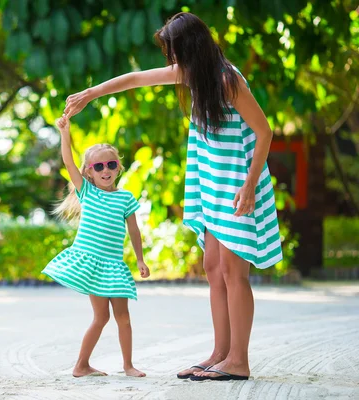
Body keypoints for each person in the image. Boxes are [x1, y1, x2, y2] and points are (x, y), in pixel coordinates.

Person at [62, 12, 283, 382]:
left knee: (232, 271)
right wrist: (90, 93)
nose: (171, 61)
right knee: (213, 268)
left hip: (238, 185)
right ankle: (220, 352)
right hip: (214, 184)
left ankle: (238, 360)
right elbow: (135, 79)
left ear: (190, 48)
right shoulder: (194, 75)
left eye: (174, 51)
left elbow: (265, 132)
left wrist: (248, 185)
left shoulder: (227, 81)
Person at [42, 116, 150, 378]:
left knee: (123, 317)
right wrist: (65, 133)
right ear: (88, 171)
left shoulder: (126, 197)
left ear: (118, 168)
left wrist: (140, 259)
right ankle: (81, 365)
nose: (106, 170)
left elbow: (133, 230)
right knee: (100, 318)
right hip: (91, 263)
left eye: (111, 164)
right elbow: (68, 161)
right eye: (98, 166)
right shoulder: (87, 192)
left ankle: (128, 366)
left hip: (114, 266)